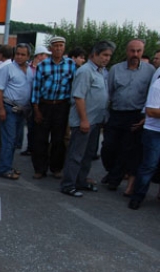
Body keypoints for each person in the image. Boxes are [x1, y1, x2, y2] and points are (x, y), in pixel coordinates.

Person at [60, 41, 115, 197]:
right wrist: (84, 120)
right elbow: (79, 97)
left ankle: (81, 181)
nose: (107, 58)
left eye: (109, 55)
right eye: (104, 55)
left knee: (88, 154)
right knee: (76, 155)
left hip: (95, 121)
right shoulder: (85, 71)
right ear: (94, 55)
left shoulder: (102, 72)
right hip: (84, 122)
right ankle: (68, 184)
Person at [100, 39, 155, 194]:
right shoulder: (115, 69)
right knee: (108, 147)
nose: (135, 54)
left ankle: (114, 180)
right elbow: (109, 92)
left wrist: (144, 116)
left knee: (126, 149)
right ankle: (112, 172)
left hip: (135, 115)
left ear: (142, 52)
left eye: (139, 51)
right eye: (132, 51)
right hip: (116, 113)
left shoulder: (150, 71)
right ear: (127, 51)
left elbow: (150, 95)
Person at [30, 36, 76, 180]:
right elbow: (36, 88)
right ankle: (40, 169)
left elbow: (74, 86)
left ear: (64, 47)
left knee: (58, 139)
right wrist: (36, 109)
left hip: (61, 106)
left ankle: (56, 168)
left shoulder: (71, 64)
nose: (58, 48)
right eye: (55, 46)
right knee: (40, 139)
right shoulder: (43, 65)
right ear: (51, 48)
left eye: (61, 45)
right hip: (45, 105)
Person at [0, 43, 34, 180]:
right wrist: (1, 109)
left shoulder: (30, 70)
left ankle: (8, 165)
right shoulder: (7, 69)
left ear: (28, 56)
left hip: (22, 110)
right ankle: (4, 169)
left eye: (23, 54)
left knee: (15, 141)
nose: (19, 57)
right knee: (9, 140)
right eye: (17, 54)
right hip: (9, 108)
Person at [128, 72, 160, 209]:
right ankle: (137, 196)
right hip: (155, 131)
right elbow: (151, 111)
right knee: (149, 165)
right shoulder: (158, 85)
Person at [21, 45, 52, 157]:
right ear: (39, 56)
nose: (46, 57)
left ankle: (37, 149)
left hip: (40, 101)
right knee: (31, 125)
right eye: (44, 55)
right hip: (30, 99)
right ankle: (30, 147)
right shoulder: (29, 68)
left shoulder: (47, 68)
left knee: (39, 127)